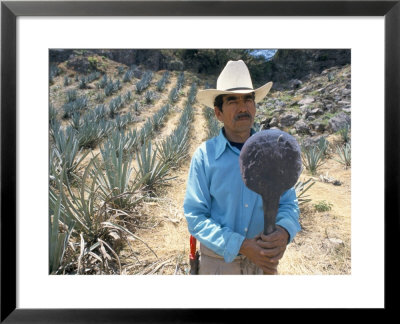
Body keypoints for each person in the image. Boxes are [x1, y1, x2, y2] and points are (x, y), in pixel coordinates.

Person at [183, 60, 301, 275]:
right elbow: (195, 216)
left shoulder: (275, 154)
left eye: (248, 99)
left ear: (254, 107)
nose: (243, 107)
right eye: (232, 101)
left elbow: (288, 204)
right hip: (218, 264)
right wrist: (242, 246)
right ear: (218, 113)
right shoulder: (204, 156)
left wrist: (284, 231)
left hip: (263, 263)